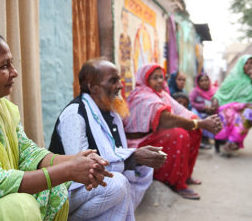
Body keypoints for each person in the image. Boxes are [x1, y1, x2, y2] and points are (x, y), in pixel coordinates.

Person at [0, 28, 112, 221]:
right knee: (20, 207)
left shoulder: (1, 108)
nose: (14, 72)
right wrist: (68, 170)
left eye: (12, 64)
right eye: (4, 66)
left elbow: (28, 154)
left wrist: (80, 161)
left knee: (55, 188)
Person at [49, 59, 166, 220]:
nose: (120, 86)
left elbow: (115, 152)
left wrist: (137, 159)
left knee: (132, 177)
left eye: (119, 80)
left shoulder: (111, 115)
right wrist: (133, 158)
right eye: (113, 81)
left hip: (93, 186)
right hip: (66, 190)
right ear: (92, 87)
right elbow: (80, 169)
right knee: (117, 184)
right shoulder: (75, 115)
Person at [123, 63, 222, 200]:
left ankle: (184, 175)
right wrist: (201, 123)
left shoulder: (161, 94)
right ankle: (175, 182)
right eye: (154, 77)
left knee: (194, 131)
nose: (159, 81)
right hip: (139, 141)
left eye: (161, 77)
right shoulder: (142, 96)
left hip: (153, 135)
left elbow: (181, 111)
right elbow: (167, 120)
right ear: (144, 79)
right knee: (179, 134)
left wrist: (202, 122)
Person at [212, 54, 252, 154]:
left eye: (251, 63)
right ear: (241, 65)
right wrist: (215, 99)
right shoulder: (233, 77)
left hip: (247, 107)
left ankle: (233, 141)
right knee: (227, 113)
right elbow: (221, 92)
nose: (249, 66)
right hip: (229, 105)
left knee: (248, 114)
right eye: (246, 63)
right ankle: (226, 141)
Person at [189, 73, 218, 149]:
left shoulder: (215, 91)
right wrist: (203, 107)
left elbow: (219, 100)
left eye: (206, 80)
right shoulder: (196, 91)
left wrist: (213, 107)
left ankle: (216, 138)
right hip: (200, 113)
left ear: (209, 81)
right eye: (202, 81)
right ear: (198, 83)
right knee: (193, 113)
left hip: (212, 113)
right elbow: (190, 102)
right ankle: (201, 138)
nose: (204, 82)